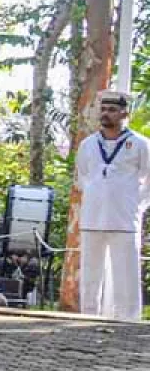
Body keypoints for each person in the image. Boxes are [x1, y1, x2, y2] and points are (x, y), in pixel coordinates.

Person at [73, 89, 150, 321]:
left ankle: (128, 320)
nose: (106, 114)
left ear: (124, 113)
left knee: (125, 274)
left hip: (125, 219)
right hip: (93, 218)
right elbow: (83, 177)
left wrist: (137, 205)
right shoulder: (87, 145)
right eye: (104, 109)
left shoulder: (140, 144)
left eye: (112, 110)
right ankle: (87, 317)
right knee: (90, 275)